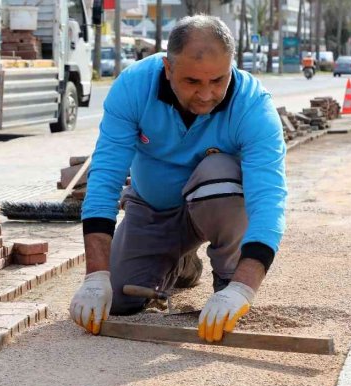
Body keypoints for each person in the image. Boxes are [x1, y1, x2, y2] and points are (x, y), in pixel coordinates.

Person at [68, 15, 287, 342]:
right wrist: (95, 276)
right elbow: (105, 179)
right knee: (119, 298)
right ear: (168, 69)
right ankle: (182, 262)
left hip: (215, 206)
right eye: (192, 82)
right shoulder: (133, 87)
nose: (206, 94)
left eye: (217, 80)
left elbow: (268, 201)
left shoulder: (253, 107)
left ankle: (226, 277)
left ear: (232, 66)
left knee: (220, 173)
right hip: (153, 208)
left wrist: (242, 288)